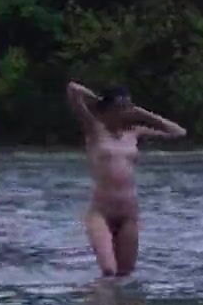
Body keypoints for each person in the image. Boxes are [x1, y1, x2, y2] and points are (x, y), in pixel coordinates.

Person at [66, 81, 186, 278]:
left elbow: (178, 132)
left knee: (125, 275)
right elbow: (73, 89)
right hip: (101, 212)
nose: (123, 112)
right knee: (108, 271)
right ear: (107, 110)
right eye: (119, 108)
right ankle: (96, 297)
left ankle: (118, 300)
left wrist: (143, 114)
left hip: (129, 212)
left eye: (127, 108)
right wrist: (98, 101)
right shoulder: (94, 129)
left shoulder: (135, 132)